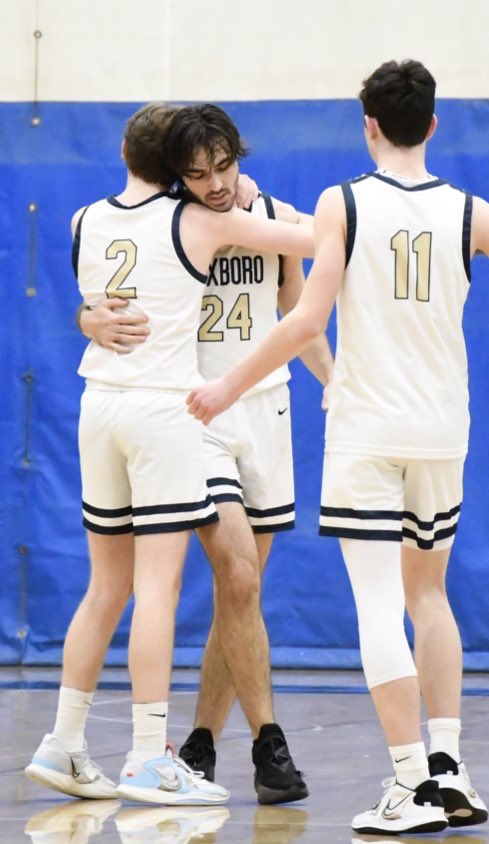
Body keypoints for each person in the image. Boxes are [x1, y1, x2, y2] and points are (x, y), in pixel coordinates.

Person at [185, 59, 489, 835]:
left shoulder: (342, 203)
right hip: (443, 431)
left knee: (377, 604)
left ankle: (410, 784)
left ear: (367, 123)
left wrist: (227, 387)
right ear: (432, 125)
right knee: (428, 596)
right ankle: (447, 763)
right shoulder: (473, 213)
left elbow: (303, 322)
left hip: (368, 430)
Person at [24, 103, 311, 806]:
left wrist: (85, 316)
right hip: (171, 410)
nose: (213, 180)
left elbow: (100, 295)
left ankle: (64, 742)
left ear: (124, 149)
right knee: (160, 589)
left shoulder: (83, 220)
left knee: (106, 589)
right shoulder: (201, 221)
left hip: (101, 406)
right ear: (177, 169)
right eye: (198, 169)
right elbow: (319, 240)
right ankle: (153, 755)